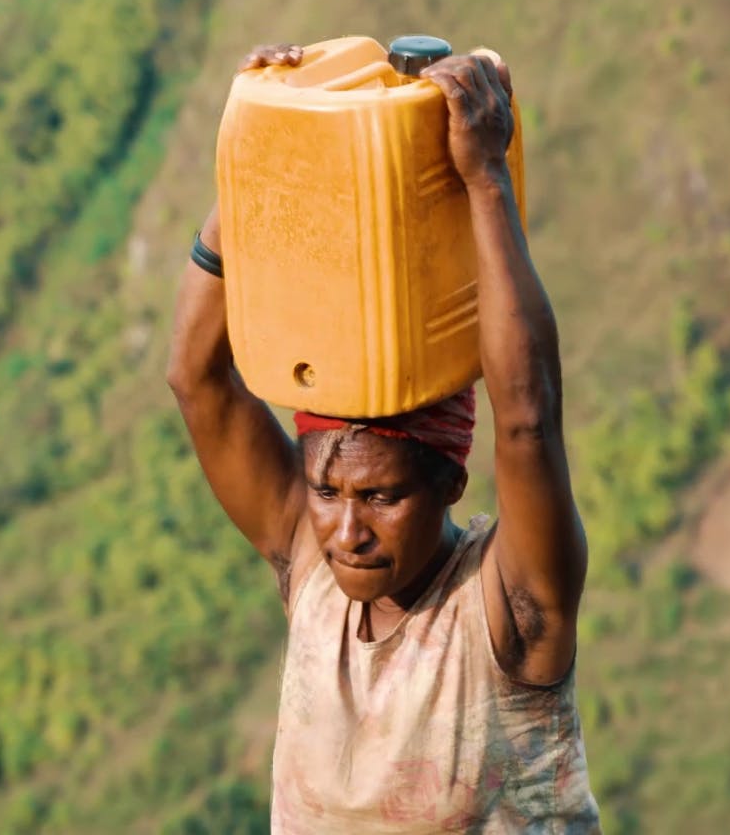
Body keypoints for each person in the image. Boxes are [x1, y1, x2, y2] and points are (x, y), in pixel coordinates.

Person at [167, 42, 600, 833]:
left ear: (450, 481)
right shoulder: (311, 568)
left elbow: (528, 421)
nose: (347, 529)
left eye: (382, 495)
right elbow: (198, 381)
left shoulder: (506, 610)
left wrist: (484, 179)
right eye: (327, 491)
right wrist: (262, 162)